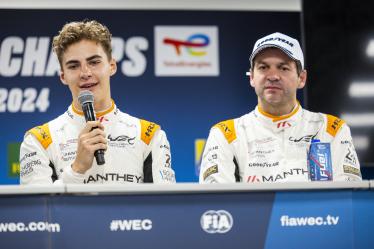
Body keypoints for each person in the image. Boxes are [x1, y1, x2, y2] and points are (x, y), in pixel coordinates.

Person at [20, 20, 175, 184]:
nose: (85, 73)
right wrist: (77, 169)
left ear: (112, 66)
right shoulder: (39, 140)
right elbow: (37, 208)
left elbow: (164, 206)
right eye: (73, 66)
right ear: (63, 76)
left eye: (94, 62)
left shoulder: (149, 135)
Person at [199, 32, 361, 183]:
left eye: (283, 68)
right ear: (252, 77)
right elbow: (217, 204)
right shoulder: (226, 134)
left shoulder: (331, 129)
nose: (273, 76)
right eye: (263, 67)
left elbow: (347, 200)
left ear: (301, 78)